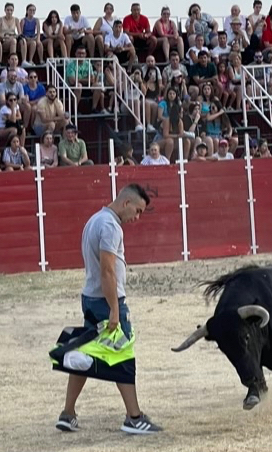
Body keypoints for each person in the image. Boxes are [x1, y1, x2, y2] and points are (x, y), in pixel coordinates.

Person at [56, 184, 163, 435]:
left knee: (85, 355)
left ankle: (68, 413)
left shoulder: (94, 220)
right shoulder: (110, 226)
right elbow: (107, 269)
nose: (136, 218)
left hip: (91, 297)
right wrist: (115, 309)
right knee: (122, 355)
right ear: (125, 203)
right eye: (137, 211)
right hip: (106, 301)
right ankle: (134, 418)